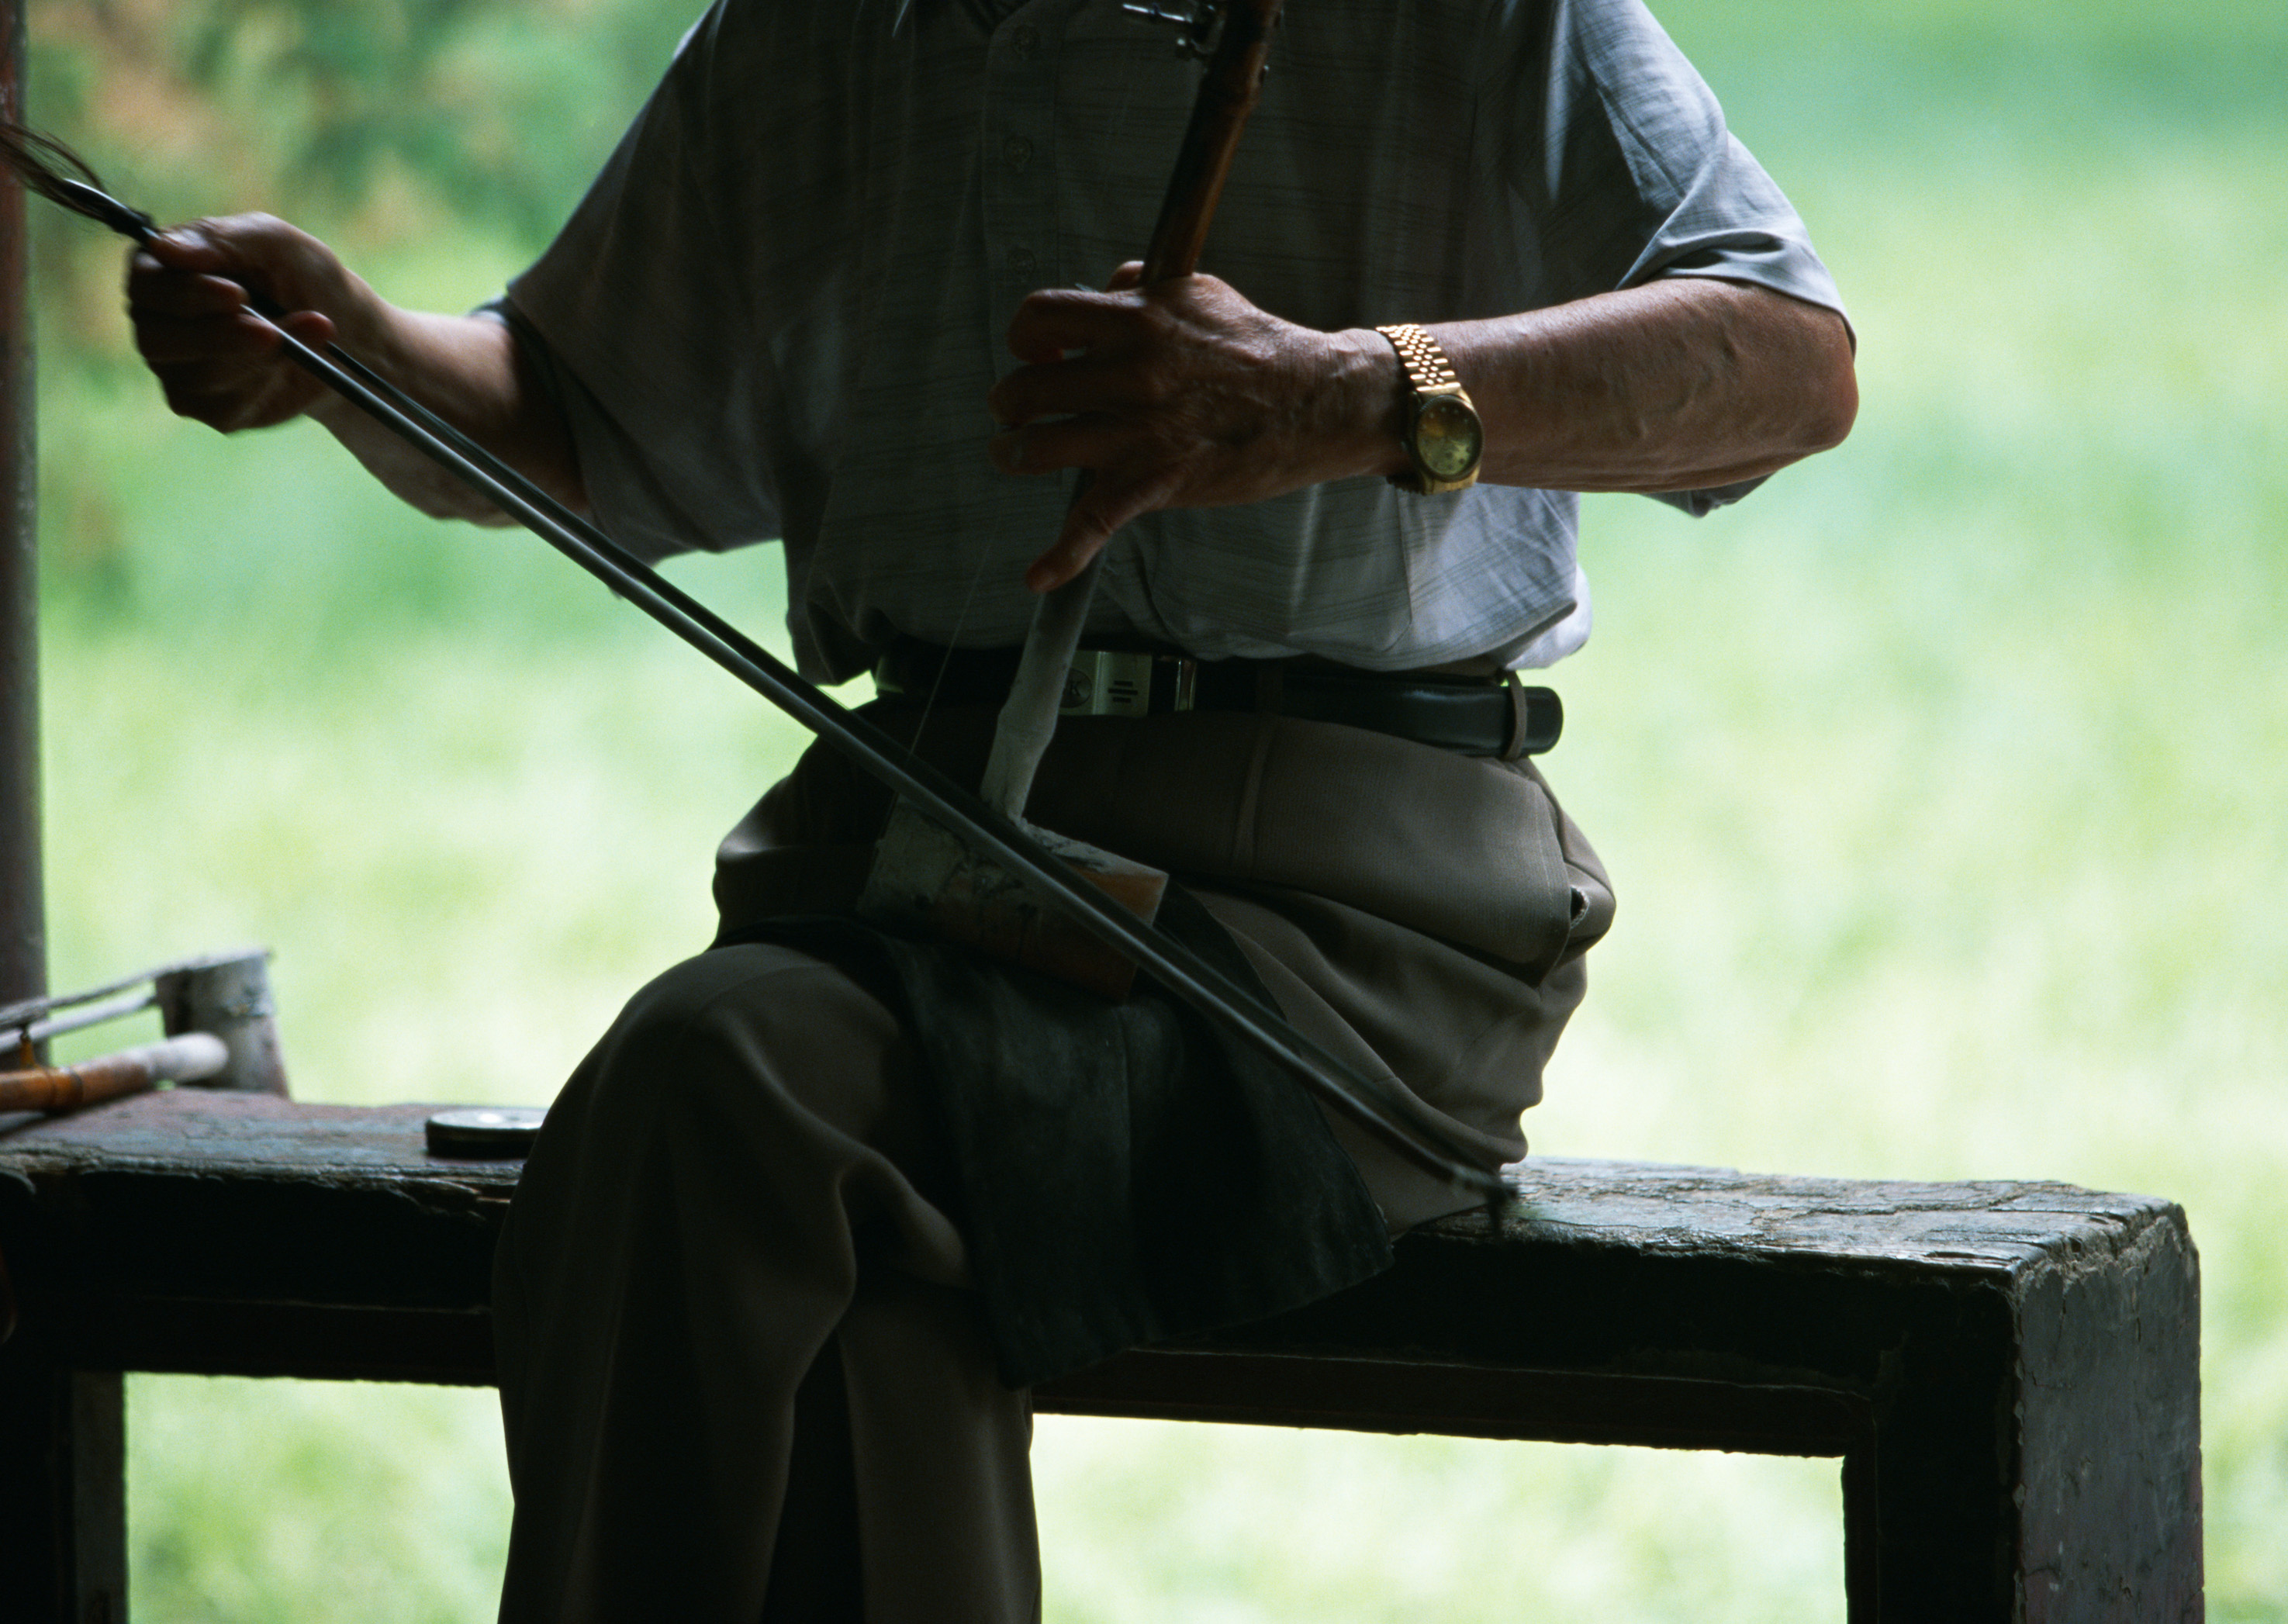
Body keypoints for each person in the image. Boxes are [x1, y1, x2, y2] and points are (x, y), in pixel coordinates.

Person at [126, 2, 1857, 1617]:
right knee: (851, 1312)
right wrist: (347, 350)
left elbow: (1785, 360)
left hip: (1334, 932)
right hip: (916, 885)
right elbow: (586, 410)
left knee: (718, 1075)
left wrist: (1335, 396)